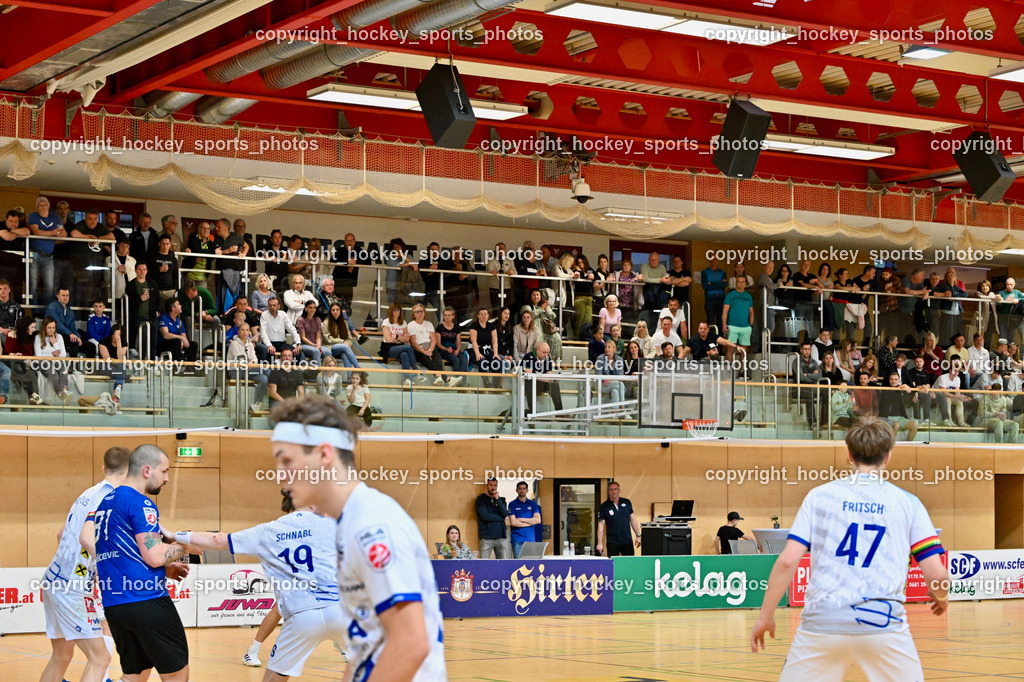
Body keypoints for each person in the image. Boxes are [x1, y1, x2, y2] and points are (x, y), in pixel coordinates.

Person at [750, 418, 949, 681]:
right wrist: (941, 596)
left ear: (848, 455)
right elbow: (937, 575)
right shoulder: (908, 503)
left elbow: (788, 561)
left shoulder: (819, 496)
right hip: (884, 625)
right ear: (888, 456)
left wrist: (765, 616)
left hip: (822, 624)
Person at [271, 397, 447, 679]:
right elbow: (367, 643)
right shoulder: (346, 524)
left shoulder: (371, 525)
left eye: (287, 460)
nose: (280, 474)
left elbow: (411, 644)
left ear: (324, 456)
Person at [181, 491, 345, 680]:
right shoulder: (331, 523)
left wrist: (176, 535)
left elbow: (217, 540)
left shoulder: (268, 530)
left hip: (301, 613)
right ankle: (253, 649)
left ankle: (341, 645)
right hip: (339, 610)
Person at [90, 445, 193, 682]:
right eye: (164, 471)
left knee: (133, 675)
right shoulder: (141, 503)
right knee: (177, 675)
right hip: (147, 602)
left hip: (116, 606)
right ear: (147, 470)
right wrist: (185, 547)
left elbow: (124, 552)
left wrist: (165, 569)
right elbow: (154, 555)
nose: (166, 478)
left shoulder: (106, 502)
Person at [39, 446, 130, 682]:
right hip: (73, 587)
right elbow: (87, 539)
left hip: (54, 579)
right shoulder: (111, 498)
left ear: (104, 468)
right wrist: (107, 566)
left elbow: (61, 535)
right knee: (100, 658)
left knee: (61, 655)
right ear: (130, 471)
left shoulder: (87, 493)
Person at [28, 196, 66, 305]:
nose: (43, 207)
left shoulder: (55, 217)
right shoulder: (33, 216)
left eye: (45, 205)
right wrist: (52, 233)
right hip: (34, 254)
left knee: (50, 286)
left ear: (49, 206)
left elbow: (62, 231)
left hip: (49, 256)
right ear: (37, 207)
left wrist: (62, 234)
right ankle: (34, 311)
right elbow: (36, 231)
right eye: (41, 205)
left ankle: (45, 310)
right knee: (33, 284)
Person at [380, 302, 423, 386]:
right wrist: (400, 337)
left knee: (404, 355)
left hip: (401, 347)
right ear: (391, 311)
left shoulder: (403, 323)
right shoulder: (386, 322)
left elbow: (407, 339)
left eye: (398, 310)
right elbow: (388, 339)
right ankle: (416, 370)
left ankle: (406, 380)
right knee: (408, 348)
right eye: (394, 310)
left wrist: (395, 336)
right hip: (389, 348)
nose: (396, 312)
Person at [596, 481, 640, 557]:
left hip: (627, 540)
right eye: (611, 489)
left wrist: (638, 535)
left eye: (615, 489)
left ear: (619, 490)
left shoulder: (627, 502)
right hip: (612, 541)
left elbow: (633, 519)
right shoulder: (604, 506)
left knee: (629, 564)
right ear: (608, 491)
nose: (613, 491)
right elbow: (601, 525)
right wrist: (599, 543)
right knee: (614, 565)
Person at [407, 303, 446, 385]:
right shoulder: (411, 325)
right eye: (417, 312)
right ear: (414, 314)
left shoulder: (429, 324)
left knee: (438, 358)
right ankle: (445, 378)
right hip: (418, 348)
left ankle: (439, 378)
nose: (420, 313)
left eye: (421, 311)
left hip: (430, 346)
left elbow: (434, 339)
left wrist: (430, 350)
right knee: (427, 360)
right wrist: (424, 351)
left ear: (424, 313)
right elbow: (413, 342)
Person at [35, 316, 72, 404]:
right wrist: (52, 355)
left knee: (63, 369)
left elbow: (63, 355)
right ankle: (60, 394)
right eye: (49, 328)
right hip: (43, 363)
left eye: (53, 328)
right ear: (44, 327)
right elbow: (39, 356)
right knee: (54, 374)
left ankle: (65, 391)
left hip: (56, 362)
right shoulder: (38, 337)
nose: (52, 330)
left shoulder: (59, 337)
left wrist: (55, 343)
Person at [522, 341, 563, 413]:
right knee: (531, 384)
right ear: (537, 351)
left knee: (554, 385)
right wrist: (544, 378)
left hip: (542, 383)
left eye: (547, 353)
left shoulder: (547, 358)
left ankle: (559, 411)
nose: (546, 355)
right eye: (544, 352)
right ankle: (532, 412)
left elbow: (549, 373)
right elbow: (529, 375)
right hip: (529, 384)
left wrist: (552, 379)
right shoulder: (528, 357)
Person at [476, 477, 510, 559]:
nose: (493, 488)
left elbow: (505, 513)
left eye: (495, 485)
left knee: (502, 564)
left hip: (501, 537)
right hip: (487, 538)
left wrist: (497, 499)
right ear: (487, 485)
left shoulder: (501, 500)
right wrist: (501, 518)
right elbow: (485, 516)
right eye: (491, 485)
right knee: (484, 564)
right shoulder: (481, 499)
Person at [879, 372, 919, 441]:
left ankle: (908, 445)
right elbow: (888, 396)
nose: (893, 381)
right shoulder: (885, 389)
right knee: (896, 425)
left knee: (914, 426)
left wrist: (915, 392)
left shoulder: (901, 390)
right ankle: (890, 446)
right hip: (887, 417)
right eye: (891, 379)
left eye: (895, 379)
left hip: (900, 417)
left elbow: (912, 390)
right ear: (889, 380)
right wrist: (899, 387)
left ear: (899, 381)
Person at [722, 275, 754, 361]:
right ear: (736, 283)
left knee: (744, 350)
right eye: (739, 282)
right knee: (730, 349)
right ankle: (729, 370)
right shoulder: (730, 295)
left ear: (745, 283)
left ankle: (743, 371)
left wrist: (751, 325)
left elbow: (751, 312)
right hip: (732, 325)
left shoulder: (748, 296)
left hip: (745, 326)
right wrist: (724, 324)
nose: (741, 284)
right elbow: (725, 311)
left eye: (743, 282)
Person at [259, 295, 300, 361]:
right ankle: (271, 371)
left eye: (274, 305)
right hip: (269, 342)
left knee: (296, 352)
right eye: (270, 305)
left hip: (282, 343)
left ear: (279, 306)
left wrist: (298, 343)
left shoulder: (283, 314)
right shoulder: (264, 315)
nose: (272, 307)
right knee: (270, 353)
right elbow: (263, 332)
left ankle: (294, 371)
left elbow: (291, 329)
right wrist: (269, 345)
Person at [507, 481, 541, 559]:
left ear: (527, 490)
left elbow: (538, 520)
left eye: (524, 488)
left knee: (530, 563)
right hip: (517, 539)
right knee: (518, 563)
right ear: (517, 490)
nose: (522, 490)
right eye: (520, 488)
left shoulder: (533, 504)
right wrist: (531, 522)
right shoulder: (512, 504)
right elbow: (513, 522)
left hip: (530, 539)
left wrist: (521, 519)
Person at [322, 301, 359, 370]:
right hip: (330, 347)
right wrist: (342, 342)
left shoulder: (344, 323)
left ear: (340, 311)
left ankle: (350, 378)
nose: (335, 312)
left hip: (342, 348)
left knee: (345, 355)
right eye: (333, 310)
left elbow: (349, 338)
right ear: (330, 312)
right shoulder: (326, 322)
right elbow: (327, 338)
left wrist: (348, 344)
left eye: (337, 310)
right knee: (345, 347)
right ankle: (358, 368)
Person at [46, 287, 81, 357]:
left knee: (90, 346)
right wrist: (70, 334)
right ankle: (73, 366)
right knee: (74, 341)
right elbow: (57, 325)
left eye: (67, 295)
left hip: (67, 335)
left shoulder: (70, 311)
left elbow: (72, 328)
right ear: (58, 296)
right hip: (55, 334)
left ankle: (92, 367)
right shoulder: (52, 307)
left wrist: (78, 337)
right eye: (63, 295)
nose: (65, 297)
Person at [437, 306, 467, 385]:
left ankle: (463, 381)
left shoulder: (456, 328)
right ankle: (457, 381)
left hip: (454, 348)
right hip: (443, 349)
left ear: (453, 316)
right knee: (456, 360)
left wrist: (457, 350)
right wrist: (446, 349)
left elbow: (458, 342)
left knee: (464, 360)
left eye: (449, 315)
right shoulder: (439, 328)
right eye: (445, 315)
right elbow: (438, 344)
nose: (447, 317)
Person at [701, 257, 727, 331]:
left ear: (718, 260)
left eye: (716, 259)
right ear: (709, 260)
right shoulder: (705, 272)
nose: (714, 260)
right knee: (710, 320)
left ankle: (720, 340)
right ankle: (711, 339)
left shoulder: (722, 272)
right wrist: (719, 283)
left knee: (720, 320)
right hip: (709, 299)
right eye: (712, 258)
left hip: (721, 299)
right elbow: (705, 286)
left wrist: (711, 283)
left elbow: (724, 285)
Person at [295, 299, 323, 365]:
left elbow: (318, 337)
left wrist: (318, 345)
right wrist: (314, 345)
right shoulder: (301, 320)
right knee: (316, 351)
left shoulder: (318, 320)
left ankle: (326, 374)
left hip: (315, 344)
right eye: (310, 308)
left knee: (328, 352)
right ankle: (317, 372)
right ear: (306, 308)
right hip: (304, 344)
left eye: (314, 308)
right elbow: (303, 338)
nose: (312, 310)